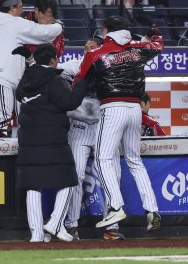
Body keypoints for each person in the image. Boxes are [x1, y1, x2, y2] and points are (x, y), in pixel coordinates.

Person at [75, 16, 163, 231]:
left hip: (112, 107)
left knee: (103, 159)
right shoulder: (140, 48)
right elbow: (158, 45)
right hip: (135, 108)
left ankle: (115, 207)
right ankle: (152, 210)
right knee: (135, 160)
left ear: (106, 30)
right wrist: (155, 31)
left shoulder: (96, 53)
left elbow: (80, 79)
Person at [17, 43, 88, 243]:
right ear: (52, 60)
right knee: (69, 180)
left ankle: (36, 234)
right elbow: (70, 103)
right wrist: (82, 81)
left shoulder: (26, 78)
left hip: (29, 140)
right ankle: (56, 222)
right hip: (52, 139)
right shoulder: (54, 79)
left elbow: (19, 95)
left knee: (33, 186)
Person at [0, 0, 63, 137]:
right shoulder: (13, 22)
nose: (23, 11)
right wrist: (58, 25)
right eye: (20, 7)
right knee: (2, 130)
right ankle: (0, 160)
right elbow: (45, 33)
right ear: (12, 8)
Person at [58, 37, 123, 240]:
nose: (88, 51)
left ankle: (111, 226)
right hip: (79, 127)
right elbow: (50, 71)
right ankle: (71, 225)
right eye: (85, 48)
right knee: (74, 176)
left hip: (105, 128)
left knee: (112, 176)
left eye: (92, 48)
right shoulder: (75, 65)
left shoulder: (112, 67)